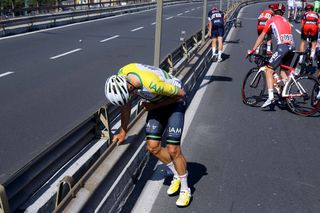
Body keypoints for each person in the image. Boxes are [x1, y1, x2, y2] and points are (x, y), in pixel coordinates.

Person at [104, 63, 191, 207]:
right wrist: (123, 132)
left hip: (175, 101)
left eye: (130, 95)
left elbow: (181, 94)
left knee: (172, 149)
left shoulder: (152, 84)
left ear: (130, 87)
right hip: (157, 102)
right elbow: (126, 106)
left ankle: (186, 188)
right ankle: (177, 172)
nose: (131, 99)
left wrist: (153, 106)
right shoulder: (122, 76)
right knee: (152, 147)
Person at [248, 3, 295, 108]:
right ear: (283, 13)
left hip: (282, 47)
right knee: (283, 71)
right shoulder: (286, 21)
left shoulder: (271, 20)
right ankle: (288, 93)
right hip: (292, 47)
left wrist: (253, 49)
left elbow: (262, 36)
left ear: (273, 12)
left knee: (269, 70)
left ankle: (270, 97)